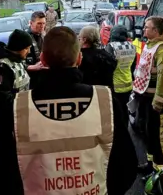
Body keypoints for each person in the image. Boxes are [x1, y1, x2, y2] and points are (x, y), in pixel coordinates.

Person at [8, 26, 138, 195]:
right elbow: (126, 164)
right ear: (78, 59)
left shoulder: (19, 107)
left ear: (42, 59)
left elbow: (6, 175)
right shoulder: (105, 101)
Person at [0, 29, 33, 194]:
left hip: (17, 121)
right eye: (27, 47)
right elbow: (3, 101)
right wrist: (29, 104)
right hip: (4, 125)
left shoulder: (16, 61)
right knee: (5, 162)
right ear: (19, 47)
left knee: (16, 162)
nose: (29, 51)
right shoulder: (1, 69)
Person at [130, 16, 163, 167]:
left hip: (154, 101)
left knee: (157, 135)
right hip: (144, 97)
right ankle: (150, 164)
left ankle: (161, 169)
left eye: (146, 27)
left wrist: (159, 101)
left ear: (155, 30)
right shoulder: (150, 46)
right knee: (147, 131)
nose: (143, 29)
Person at [105, 25, 137, 122]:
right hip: (127, 84)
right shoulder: (132, 46)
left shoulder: (111, 46)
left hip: (115, 86)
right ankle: (126, 132)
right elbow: (133, 67)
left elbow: (108, 67)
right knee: (124, 110)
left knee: (115, 113)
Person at [25, 11, 47, 88]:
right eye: (39, 23)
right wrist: (32, 67)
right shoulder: (23, 38)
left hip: (43, 78)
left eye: (44, 23)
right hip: (29, 80)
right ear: (31, 23)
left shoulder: (44, 35)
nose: (42, 26)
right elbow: (15, 62)